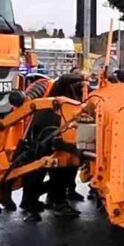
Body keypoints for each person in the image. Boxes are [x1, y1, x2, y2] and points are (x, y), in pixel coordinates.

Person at [19, 73, 85, 222]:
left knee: (40, 171)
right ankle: (52, 204)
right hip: (47, 137)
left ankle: (33, 203)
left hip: (47, 136)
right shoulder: (61, 96)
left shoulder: (59, 99)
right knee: (49, 170)